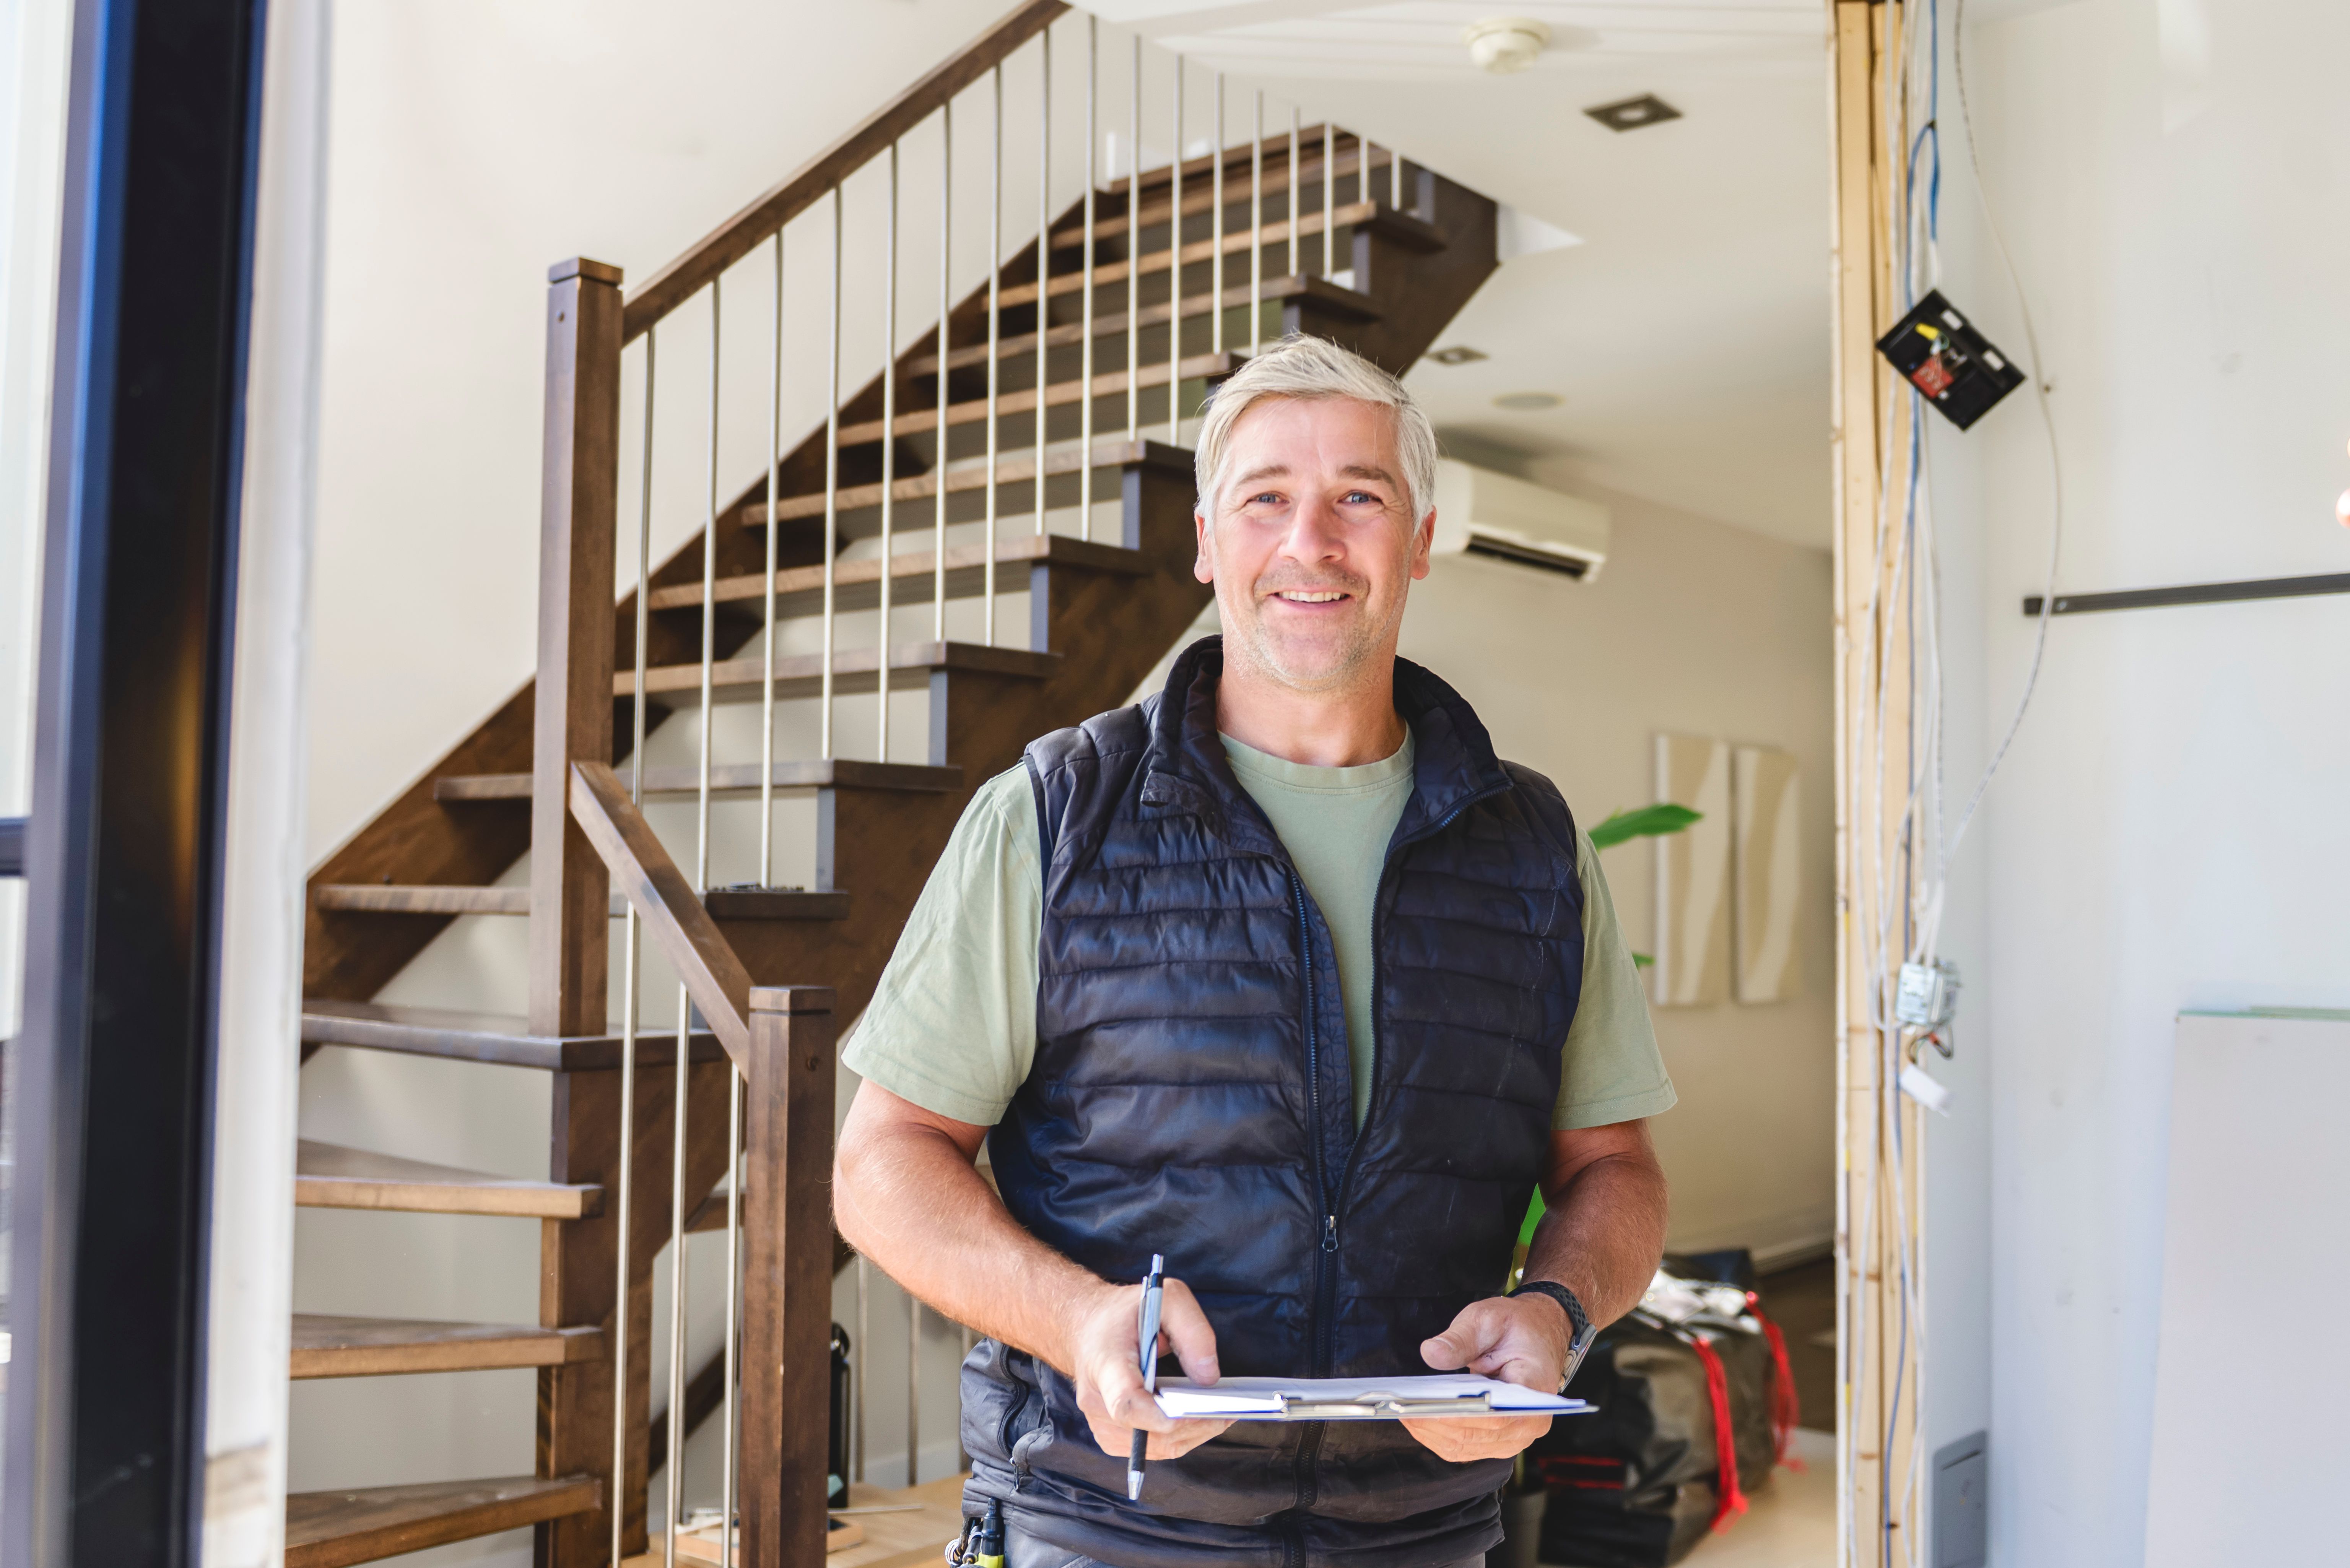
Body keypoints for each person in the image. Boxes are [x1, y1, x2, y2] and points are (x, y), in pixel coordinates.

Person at [833, 335, 1674, 1568]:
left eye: (1358, 498)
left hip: (1422, 1532)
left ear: (1420, 539)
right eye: (1265, 498)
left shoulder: (1532, 842)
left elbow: (1615, 1168)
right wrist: (1076, 1318)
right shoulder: (1055, 815)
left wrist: (1556, 1308)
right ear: (1204, 541)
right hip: (1104, 1525)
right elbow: (883, 1163)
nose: (1310, 543)